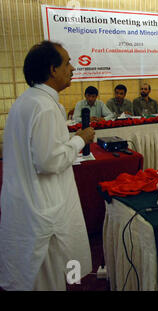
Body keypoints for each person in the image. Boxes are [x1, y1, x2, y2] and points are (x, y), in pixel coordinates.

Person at [0, 41, 94, 290]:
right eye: (67, 63)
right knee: (46, 278)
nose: (72, 69)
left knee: (31, 275)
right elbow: (49, 161)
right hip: (43, 209)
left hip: (27, 206)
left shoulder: (27, 101)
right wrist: (79, 140)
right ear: (53, 69)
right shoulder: (44, 107)